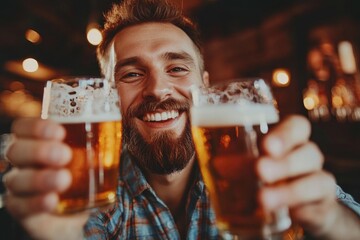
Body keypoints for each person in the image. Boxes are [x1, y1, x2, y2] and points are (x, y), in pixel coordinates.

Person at [3, 0, 360, 239]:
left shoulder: (265, 165)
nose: (158, 89)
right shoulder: (91, 192)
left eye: (176, 68)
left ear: (204, 87)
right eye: (131, 74)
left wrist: (329, 221)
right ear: (108, 97)